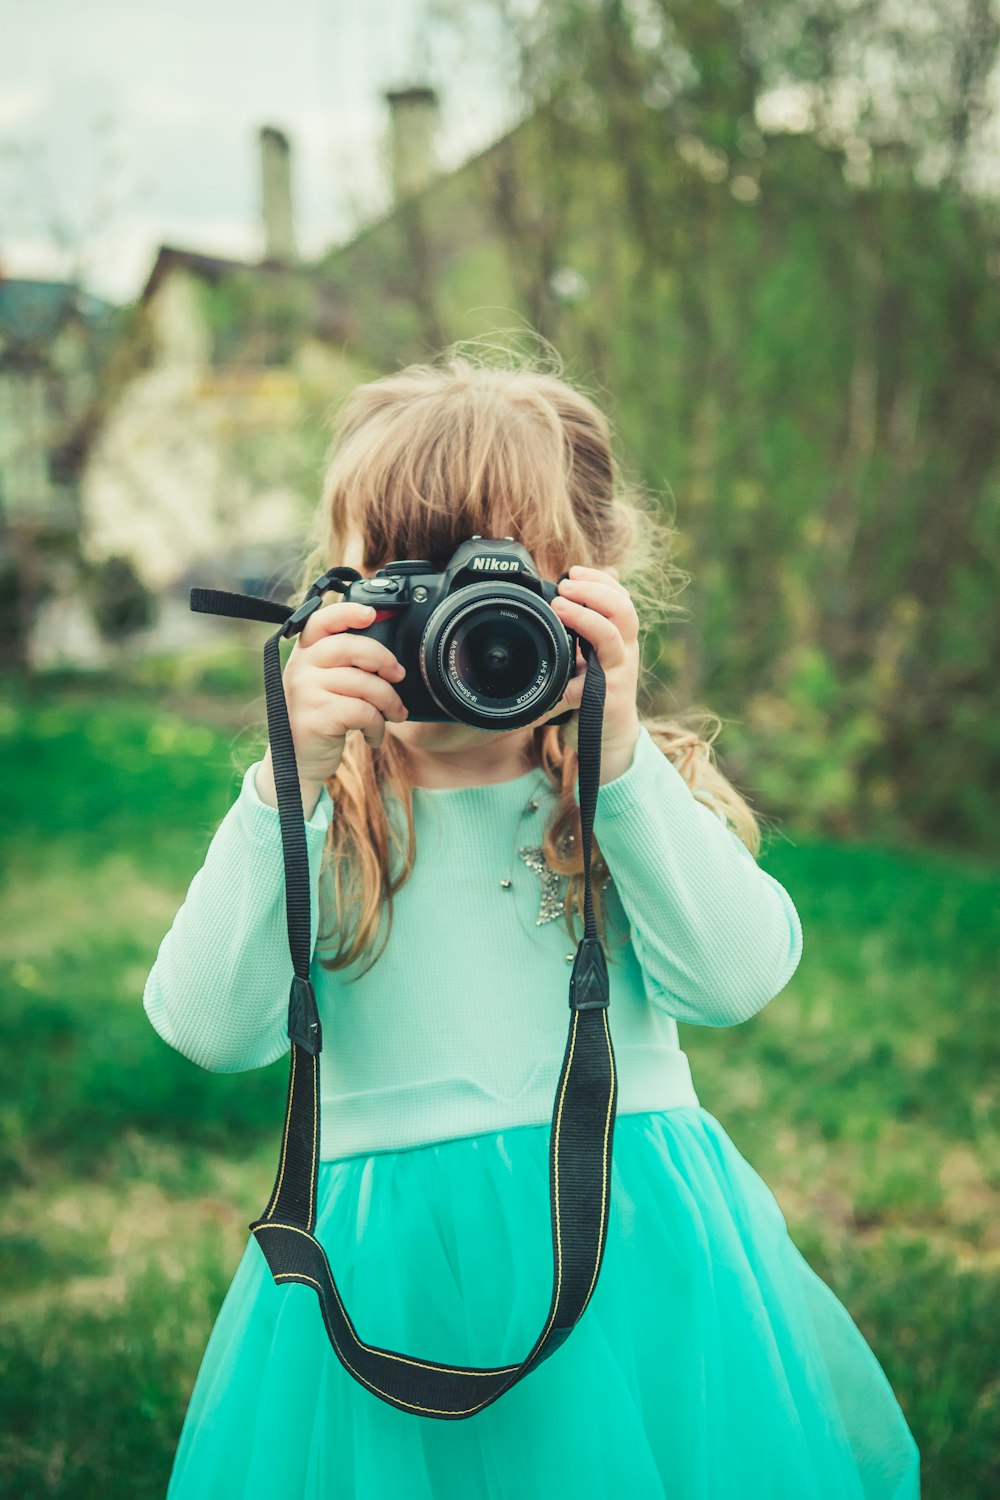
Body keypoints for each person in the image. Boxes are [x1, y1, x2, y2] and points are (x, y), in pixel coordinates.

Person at [144, 346, 920, 1498]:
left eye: (493, 583)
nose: (462, 625)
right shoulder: (323, 811)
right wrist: (283, 782)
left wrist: (620, 767)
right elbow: (206, 1032)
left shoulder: (616, 792)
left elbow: (739, 982)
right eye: (404, 580)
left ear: (589, 594)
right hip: (382, 1283)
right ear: (330, 597)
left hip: (631, 1258)